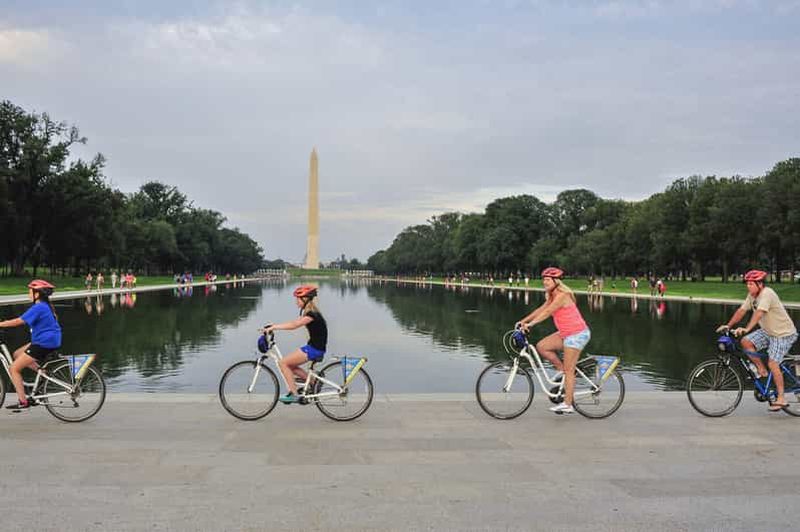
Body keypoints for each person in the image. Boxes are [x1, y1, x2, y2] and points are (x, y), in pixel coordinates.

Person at [716, 269, 798, 411]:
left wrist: (746, 329)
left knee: (773, 362)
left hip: (783, 334)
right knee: (746, 342)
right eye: (747, 284)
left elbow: (759, 313)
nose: (748, 286)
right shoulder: (751, 296)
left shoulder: (767, 294)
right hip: (768, 331)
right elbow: (741, 311)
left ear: (760, 284)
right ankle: (762, 371)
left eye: (751, 284)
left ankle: (781, 398)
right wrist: (728, 326)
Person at [517, 267, 591, 415]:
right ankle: (561, 370)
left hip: (576, 335)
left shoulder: (563, 296)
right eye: (544, 279)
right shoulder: (551, 296)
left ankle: (568, 404)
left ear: (556, 282)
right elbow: (541, 309)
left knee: (570, 370)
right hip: (565, 333)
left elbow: (548, 312)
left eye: (548, 280)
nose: (545, 282)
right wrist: (523, 321)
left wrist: (531, 325)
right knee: (542, 346)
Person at [0, 280, 62, 411]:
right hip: (47, 341)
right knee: (17, 354)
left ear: (37, 294)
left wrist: (1, 324)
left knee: (14, 369)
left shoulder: (39, 307)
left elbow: (19, 321)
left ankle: (23, 401)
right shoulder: (44, 306)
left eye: (30, 291)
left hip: (44, 342)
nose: (28, 293)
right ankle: (43, 373)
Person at [265, 285, 328, 404]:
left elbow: (294, 325)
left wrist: (275, 327)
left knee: (283, 363)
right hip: (314, 347)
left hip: (314, 349)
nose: (296, 302)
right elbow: (294, 323)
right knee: (290, 365)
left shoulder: (311, 315)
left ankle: (294, 394)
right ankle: (314, 381)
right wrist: (275, 326)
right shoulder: (311, 313)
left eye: (298, 299)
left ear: (305, 300)